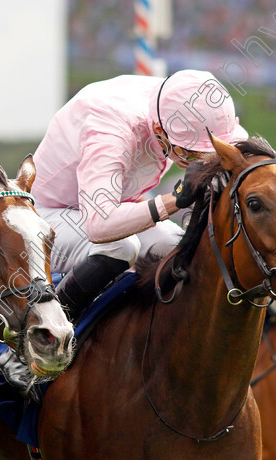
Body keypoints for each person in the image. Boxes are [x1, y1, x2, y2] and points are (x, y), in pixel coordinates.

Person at [31, 69, 248, 318]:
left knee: (178, 248)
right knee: (121, 247)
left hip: (107, 207)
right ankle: (41, 330)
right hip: (48, 218)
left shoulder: (184, 105)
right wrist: (176, 198)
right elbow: (99, 225)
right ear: (157, 129)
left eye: (210, 155)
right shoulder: (111, 130)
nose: (200, 161)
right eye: (191, 153)